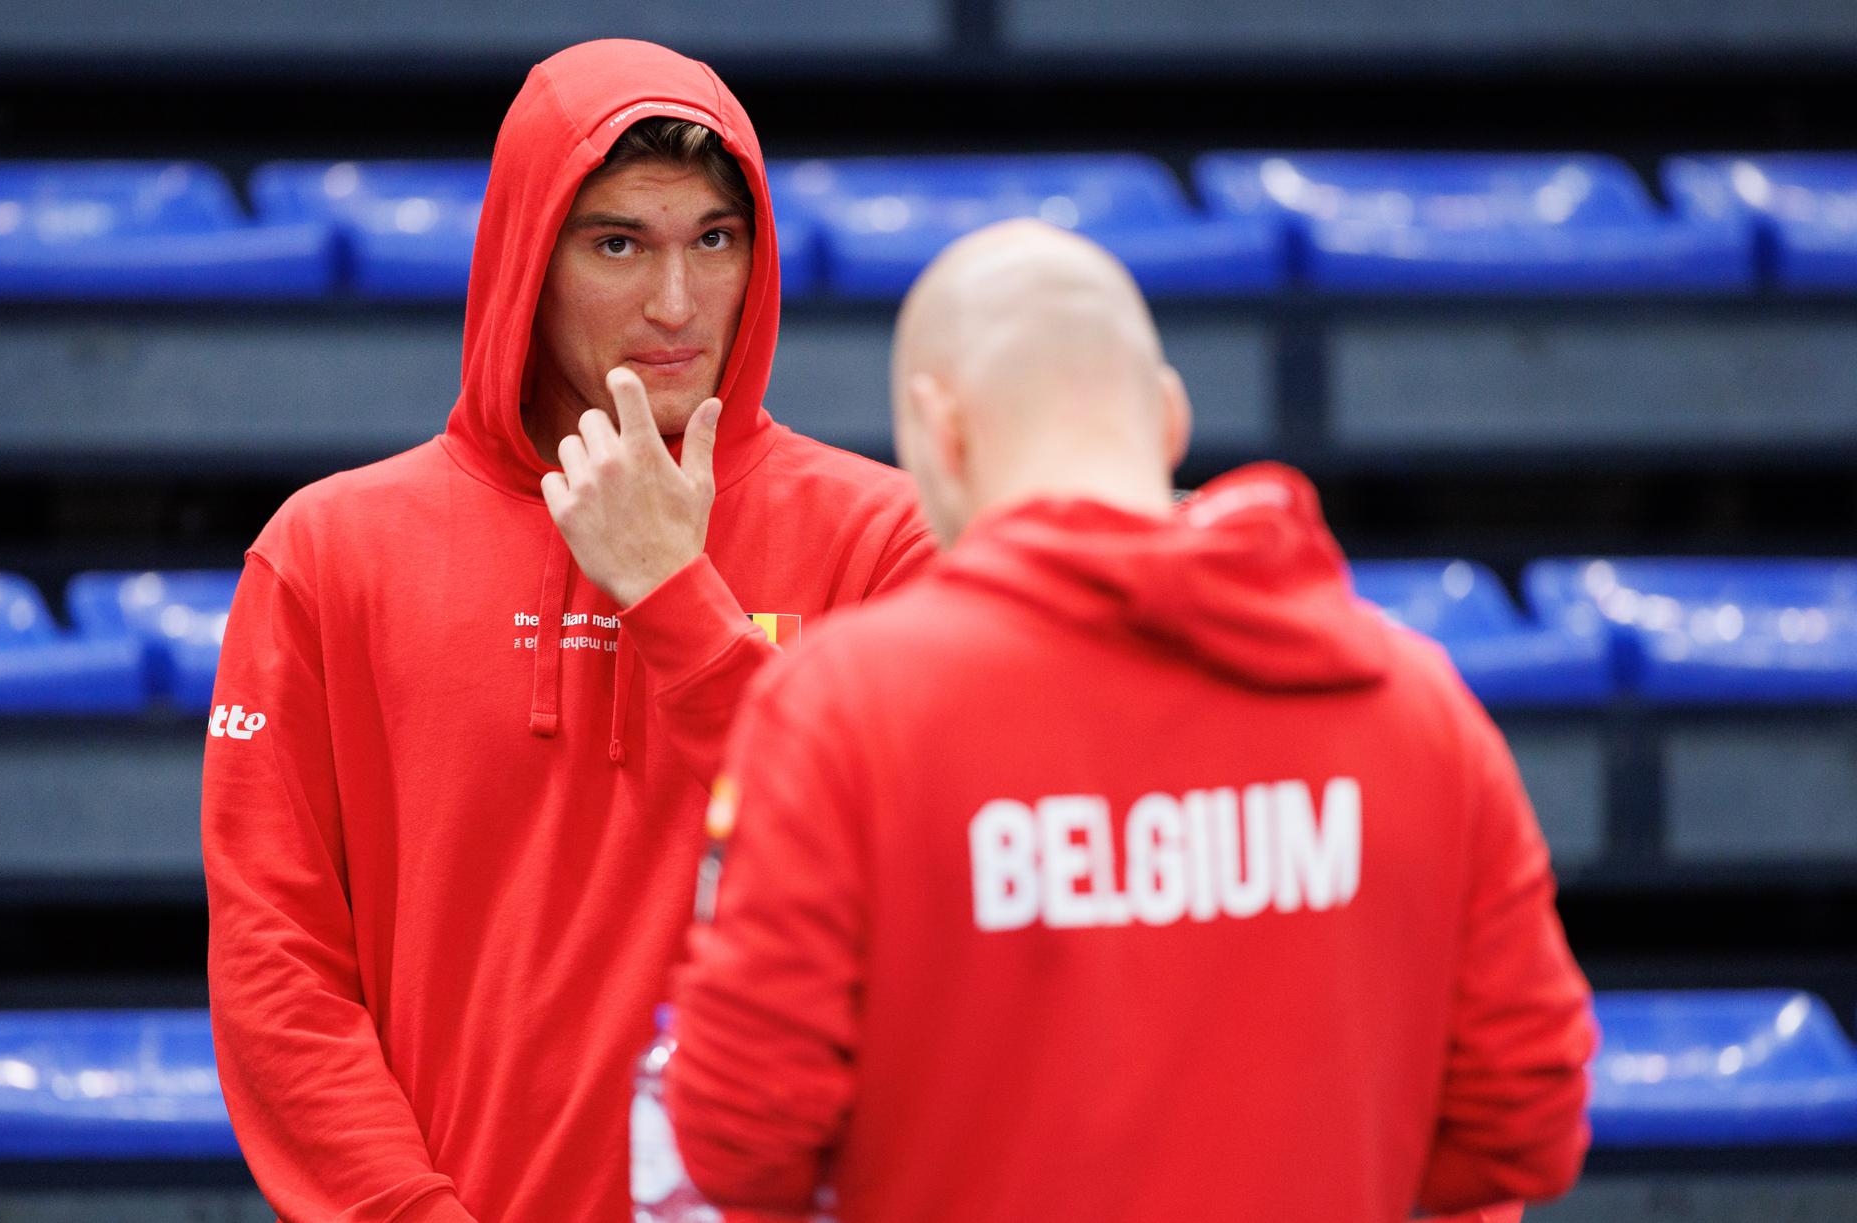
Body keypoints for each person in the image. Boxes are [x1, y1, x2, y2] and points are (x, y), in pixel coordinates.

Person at [666, 219, 1596, 1223]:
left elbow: (740, 1142)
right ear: (1168, 417)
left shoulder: (841, 711)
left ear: (943, 431)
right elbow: (1525, 1119)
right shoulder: (1417, 706)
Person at [202, 38, 932, 1223]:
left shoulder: (888, 541)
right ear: (522, 264)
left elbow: (904, 905)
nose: (677, 303)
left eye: (714, 237)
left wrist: (673, 598)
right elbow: (277, 965)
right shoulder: (325, 551)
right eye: (617, 244)